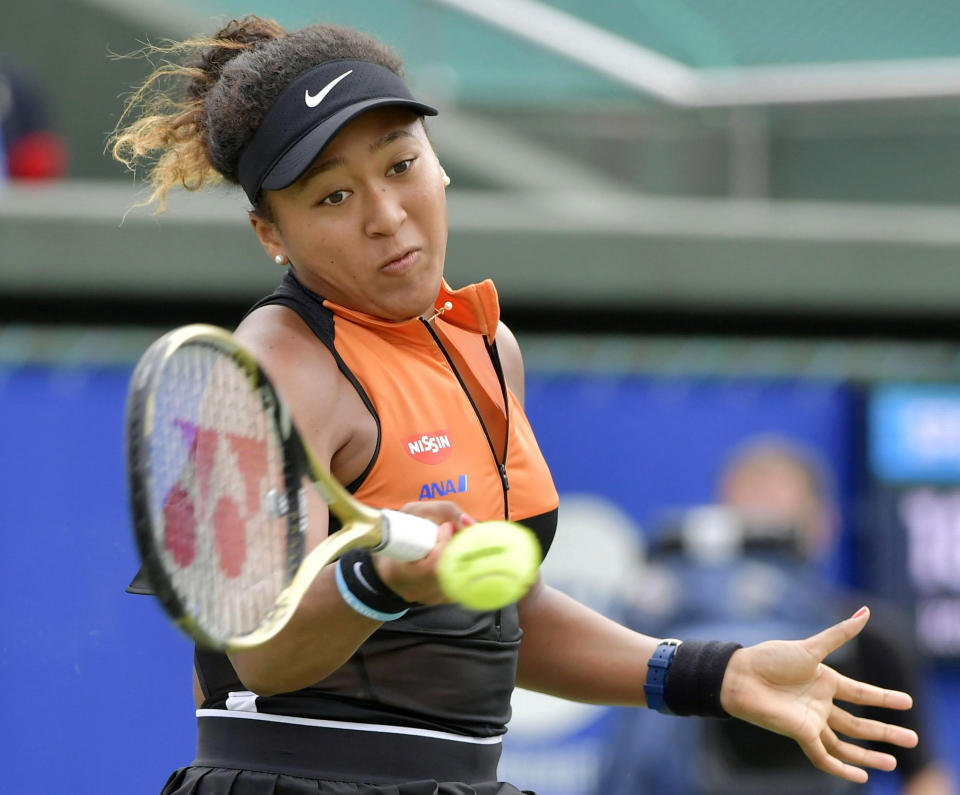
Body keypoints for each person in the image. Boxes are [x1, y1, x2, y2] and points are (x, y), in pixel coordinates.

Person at [111, 16, 920, 795]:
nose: (387, 217)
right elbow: (261, 647)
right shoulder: (276, 367)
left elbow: (505, 613)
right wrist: (381, 579)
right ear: (269, 232)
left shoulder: (488, 352)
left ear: (438, 161)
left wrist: (716, 672)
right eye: (332, 197)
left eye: (401, 165)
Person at [595, 436, 956, 795]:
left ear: (824, 524)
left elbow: (922, 774)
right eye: (746, 525)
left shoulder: (869, 636)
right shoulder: (666, 634)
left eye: (777, 529)